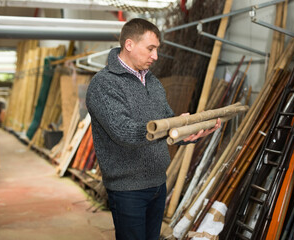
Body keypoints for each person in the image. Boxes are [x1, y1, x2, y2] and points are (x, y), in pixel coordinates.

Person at [86, 18, 220, 240]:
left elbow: (167, 122)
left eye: (156, 49)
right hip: (128, 189)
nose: (155, 56)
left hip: (158, 183)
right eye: (150, 49)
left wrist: (189, 133)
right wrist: (168, 129)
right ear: (129, 44)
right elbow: (123, 132)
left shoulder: (154, 83)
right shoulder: (104, 84)